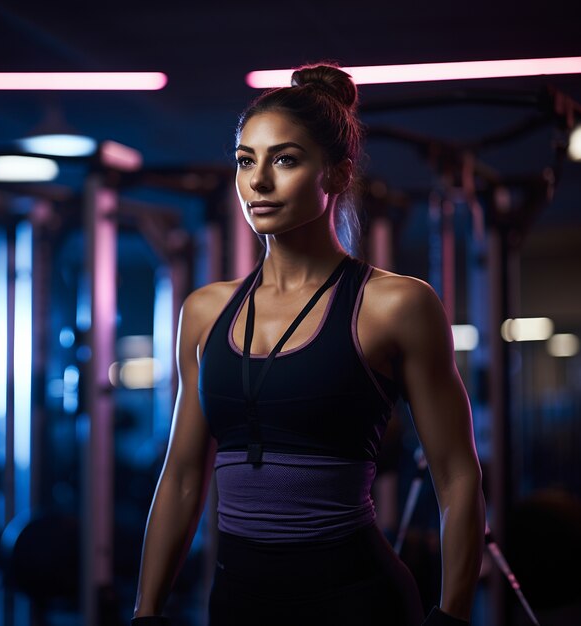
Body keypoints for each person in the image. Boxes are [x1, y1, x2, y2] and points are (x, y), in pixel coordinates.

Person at [132, 63, 485, 626]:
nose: (258, 182)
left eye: (285, 160)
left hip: (357, 603)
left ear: (338, 175)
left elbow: (458, 474)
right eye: (246, 160)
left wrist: (453, 617)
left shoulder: (395, 305)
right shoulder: (204, 312)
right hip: (238, 604)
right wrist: (145, 612)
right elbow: (180, 477)